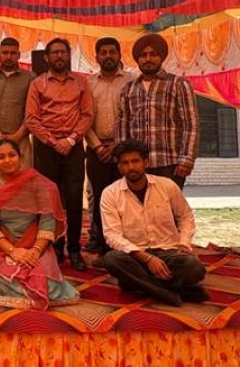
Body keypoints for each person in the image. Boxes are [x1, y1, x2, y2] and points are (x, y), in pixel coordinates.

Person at [101, 139, 209, 306]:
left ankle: (140, 284)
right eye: (125, 163)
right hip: (135, 255)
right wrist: (147, 259)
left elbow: (185, 216)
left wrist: (183, 244)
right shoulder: (110, 194)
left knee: (194, 267)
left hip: (168, 252)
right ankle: (169, 292)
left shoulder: (167, 186)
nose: (131, 167)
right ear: (119, 167)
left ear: (146, 162)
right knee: (112, 259)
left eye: (135, 161)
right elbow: (112, 235)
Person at [0, 139, 79, 310]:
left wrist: (34, 251)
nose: (7, 160)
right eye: (1, 157)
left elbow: (47, 221)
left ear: (21, 157)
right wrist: (13, 251)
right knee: (1, 277)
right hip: (3, 244)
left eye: (12, 155)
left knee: (49, 283)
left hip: (35, 242)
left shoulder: (38, 183)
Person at [25, 38, 93, 272]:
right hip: (47, 148)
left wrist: (71, 140)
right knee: (49, 200)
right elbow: (31, 119)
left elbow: (87, 115)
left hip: (74, 147)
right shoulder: (37, 84)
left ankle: (74, 249)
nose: (59, 56)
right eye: (54, 52)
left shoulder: (81, 82)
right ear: (46, 57)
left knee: (74, 199)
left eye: (63, 52)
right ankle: (54, 246)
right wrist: (54, 142)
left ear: (68, 55)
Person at [116, 34, 199, 189]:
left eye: (153, 54)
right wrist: (123, 160)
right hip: (137, 165)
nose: (148, 59)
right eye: (143, 55)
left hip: (170, 163)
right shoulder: (128, 89)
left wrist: (186, 160)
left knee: (167, 204)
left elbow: (190, 124)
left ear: (161, 57)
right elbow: (122, 127)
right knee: (138, 204)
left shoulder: (178, 84)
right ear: (137, 59)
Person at [84, 38, 134, 255]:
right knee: (100, 197)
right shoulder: (88, 84)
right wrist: (97, 146)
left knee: (124, 197)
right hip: (96, 149)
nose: (108, 56)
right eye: (103, 52)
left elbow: (135, 117)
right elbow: (84, 118)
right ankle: (103, 245)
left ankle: (124, 245)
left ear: (119, 54)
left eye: (112, 52)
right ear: (97, 57)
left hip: (125, 149)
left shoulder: (132, 81)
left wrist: (117, 144)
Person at [0, 37, 35, 177]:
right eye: (5, 52)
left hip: (20, 140)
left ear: (19, 55)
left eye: (13, 53)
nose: (9, 56)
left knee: (22, 181)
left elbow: (33, 110)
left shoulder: (30, 78)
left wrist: (18, 135)